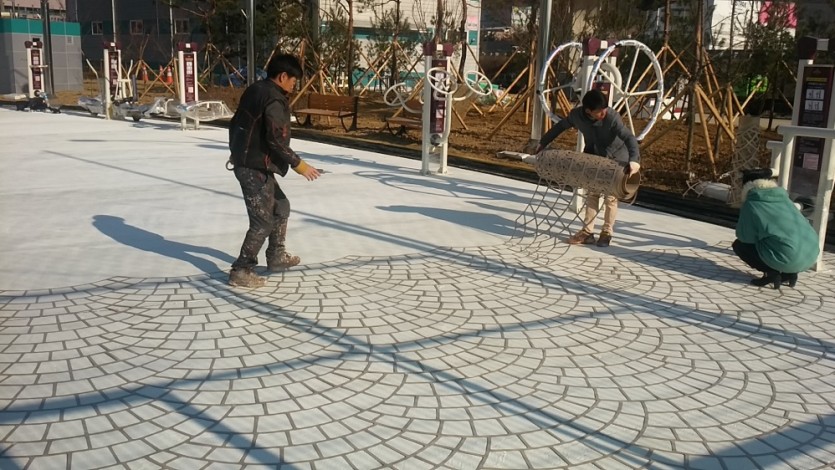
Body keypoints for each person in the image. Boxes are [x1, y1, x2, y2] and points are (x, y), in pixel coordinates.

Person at [227, 54, 320, 288]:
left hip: (252, 161)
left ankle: (276, 256)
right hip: (253, 166)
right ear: (283, 76)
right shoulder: (274, 99)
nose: (294, 85)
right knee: (262, 222)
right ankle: (241, 270)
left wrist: (236, 151)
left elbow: (237, 123)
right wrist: (300, 165)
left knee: (281, 206)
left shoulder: (256, 90)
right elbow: (276, 140)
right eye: (293, 81)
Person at [531, 89, 640, 247]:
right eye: (599, 111)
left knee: (610, 197)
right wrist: (543, 142)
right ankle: (587, 232)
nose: (604, 113)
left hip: (616, 160)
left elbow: (629, 137)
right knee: (592, 193)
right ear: (588, 111)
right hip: (594, 157)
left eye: (605, 109)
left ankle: (607, 232)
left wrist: (634, 160)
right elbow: (560, 126)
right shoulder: (577, 116)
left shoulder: (611, 117)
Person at [733, 168, 819, 289]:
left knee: (739, 246)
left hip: (789, 256)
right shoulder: (785, 199)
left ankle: (771, 273)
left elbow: (745, 237)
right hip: (811, 255)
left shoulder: (752, 203)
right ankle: (790, 274)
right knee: (783, 241)